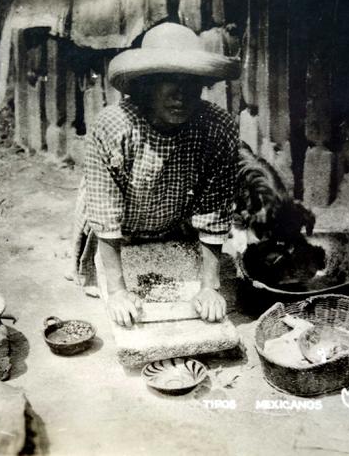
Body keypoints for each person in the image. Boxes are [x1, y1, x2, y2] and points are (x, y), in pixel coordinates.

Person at [70, 22, 242, 327]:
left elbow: (214, 210)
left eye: (191, 83)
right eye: (168, 81)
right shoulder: (113, 127)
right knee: (125, 312)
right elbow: (105, 214)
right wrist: (119, 291)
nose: (181, 95)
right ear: (146, 85)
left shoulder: (217, 128)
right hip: (118, 232)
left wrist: (209, 287)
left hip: (176, 225)